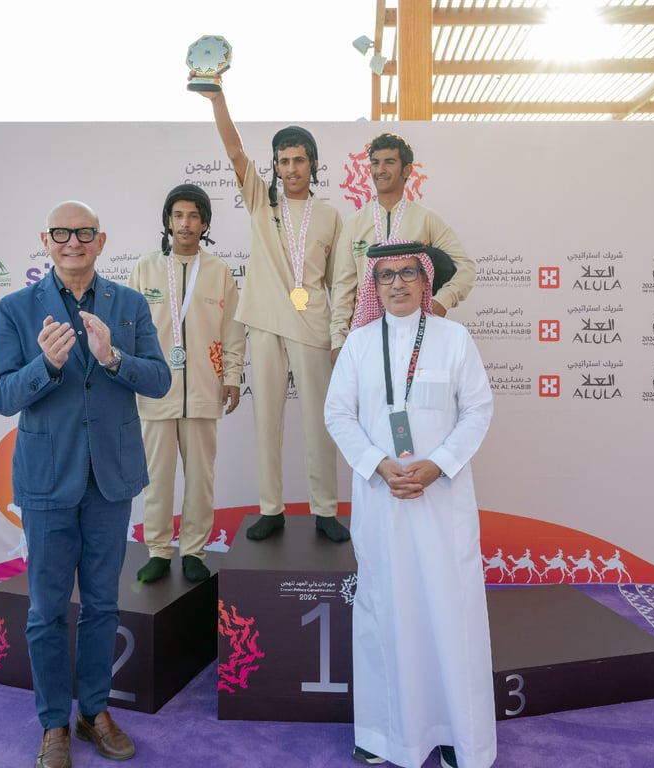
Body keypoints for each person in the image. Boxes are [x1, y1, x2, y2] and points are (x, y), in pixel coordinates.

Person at [0, 200, 171, 768]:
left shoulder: (130, 304)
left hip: (110, 479)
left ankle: (94, 712)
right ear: (46, 241)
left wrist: (113, 359)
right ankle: (53, 724)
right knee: (45, 610)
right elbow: (1, 396)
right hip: (47, 480)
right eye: (62, 233)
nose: (74, 242)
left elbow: (159, 380)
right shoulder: (16, 309)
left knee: (102, 604)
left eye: (85, 233)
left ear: (101, 240)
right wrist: (44, 365)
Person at [324, 239, 496, 768]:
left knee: (449, 611)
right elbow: (338, 414)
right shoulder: (358, 344)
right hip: (382, 500)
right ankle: (382, 734)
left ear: (425, 281)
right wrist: (378, 463)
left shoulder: (454, 339)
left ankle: (455, 733)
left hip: (441, 501)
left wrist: (438, 463)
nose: (397, 283)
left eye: (407, 274)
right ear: (374, 286)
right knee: (384, 612)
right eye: (386, 275)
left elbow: (478, 409)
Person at [196, 81, 349, 543]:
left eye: (299, 160)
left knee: (319, 422)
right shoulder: (262, 201)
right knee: (267, 421)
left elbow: (339, 281)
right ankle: (271, 508)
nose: (291, 168)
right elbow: (234, 149)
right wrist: (218, 100)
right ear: (275, 167)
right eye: (283, 161)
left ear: (313, 164)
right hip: (264, 323)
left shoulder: (331, 216)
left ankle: (325, 509)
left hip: (312, 326)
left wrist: (339, 335)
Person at [127, 184, 245, 583]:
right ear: (167, 221)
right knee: (156, 481)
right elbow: (128, 331)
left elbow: (232, 331)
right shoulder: (144, 269)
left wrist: (232, 376)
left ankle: (194, 550)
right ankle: (158, 551)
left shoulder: (218, 272)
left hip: (203, 391)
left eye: (194, 216)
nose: (185, 223)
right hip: (155, 393)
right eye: (178, 215)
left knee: (200, 480)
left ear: (205, 223)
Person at [330, 132, 476, 360]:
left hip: (417, 328)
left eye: (389, 162)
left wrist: (440, 302)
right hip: (368, 331)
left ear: (407, 170)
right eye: (375, 163)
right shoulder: (354, 223)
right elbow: (343, 287)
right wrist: (338, 341)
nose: (380, 170)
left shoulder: (426, 218)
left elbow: (466, 268)